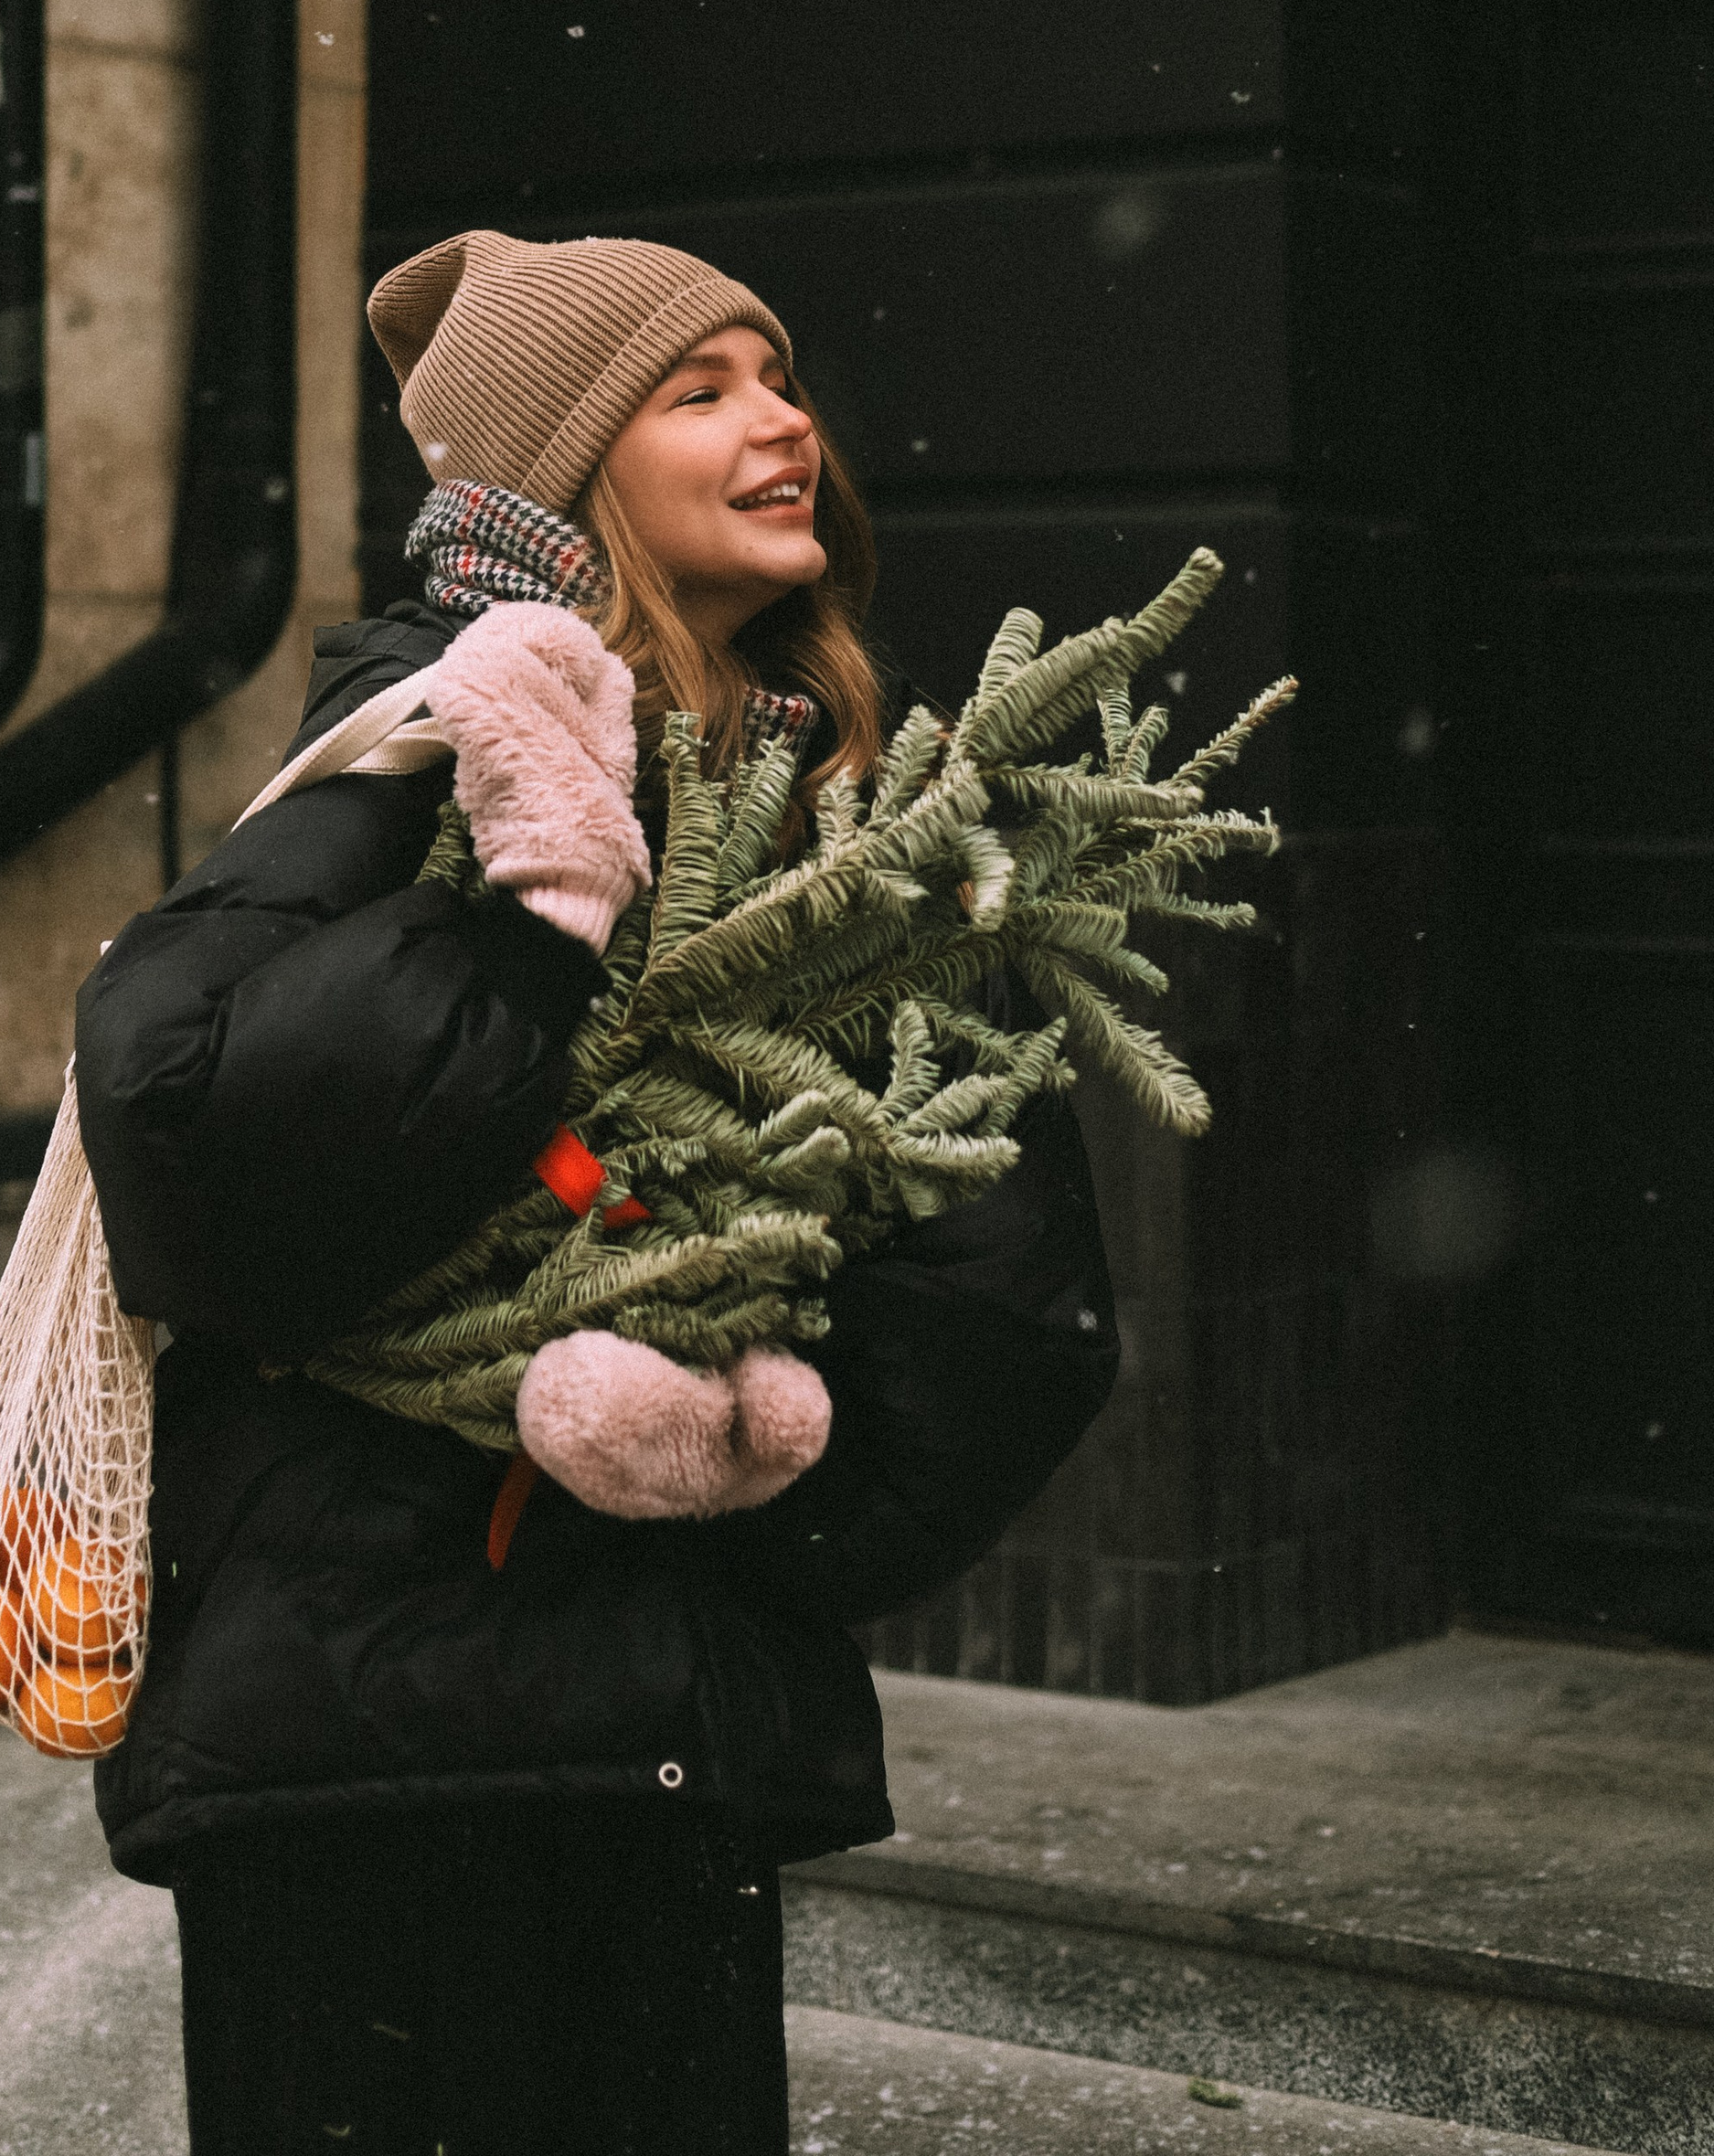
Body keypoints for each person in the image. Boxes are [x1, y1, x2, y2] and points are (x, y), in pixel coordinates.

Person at [74, 230, 1120, 2156]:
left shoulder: (846, 823)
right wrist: (544, 919)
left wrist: (726, 1517)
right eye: (698, 388)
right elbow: (187, 1126)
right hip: (338, 1738)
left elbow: (1007, 1298)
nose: (782, 420)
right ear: (560, 477)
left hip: (647, 1734)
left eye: (778, 374)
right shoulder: (413, 748)